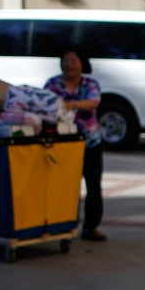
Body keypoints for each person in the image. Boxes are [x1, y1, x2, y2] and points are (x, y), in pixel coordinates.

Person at [44, 48, 107, 241]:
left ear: (82, 64)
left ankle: (90, 227)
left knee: (93, 186)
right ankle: (62, 226)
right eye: (66, 60)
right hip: (63, 145)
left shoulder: (91, 83)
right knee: (65, 187)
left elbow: (93, 102)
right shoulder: (53, 83)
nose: (69, 64)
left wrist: (72, 104)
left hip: (90, 144)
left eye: (74, 60)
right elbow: (45, 104)